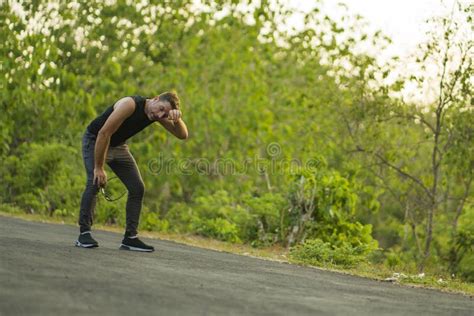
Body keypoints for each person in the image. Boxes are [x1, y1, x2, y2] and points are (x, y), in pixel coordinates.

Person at [75, 92, 188, 252]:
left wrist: (177, 119)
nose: (160, 115)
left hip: (119, 146)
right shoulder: (130, 104)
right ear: (155, 99)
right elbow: (104, 133)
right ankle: (84, 234)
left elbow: (182, 135)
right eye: (161, 109)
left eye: (165, 113)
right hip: (96, 140)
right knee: (94, 182)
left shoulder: (158, 114)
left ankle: (130, 238)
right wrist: (99, 168)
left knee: (137, 188)